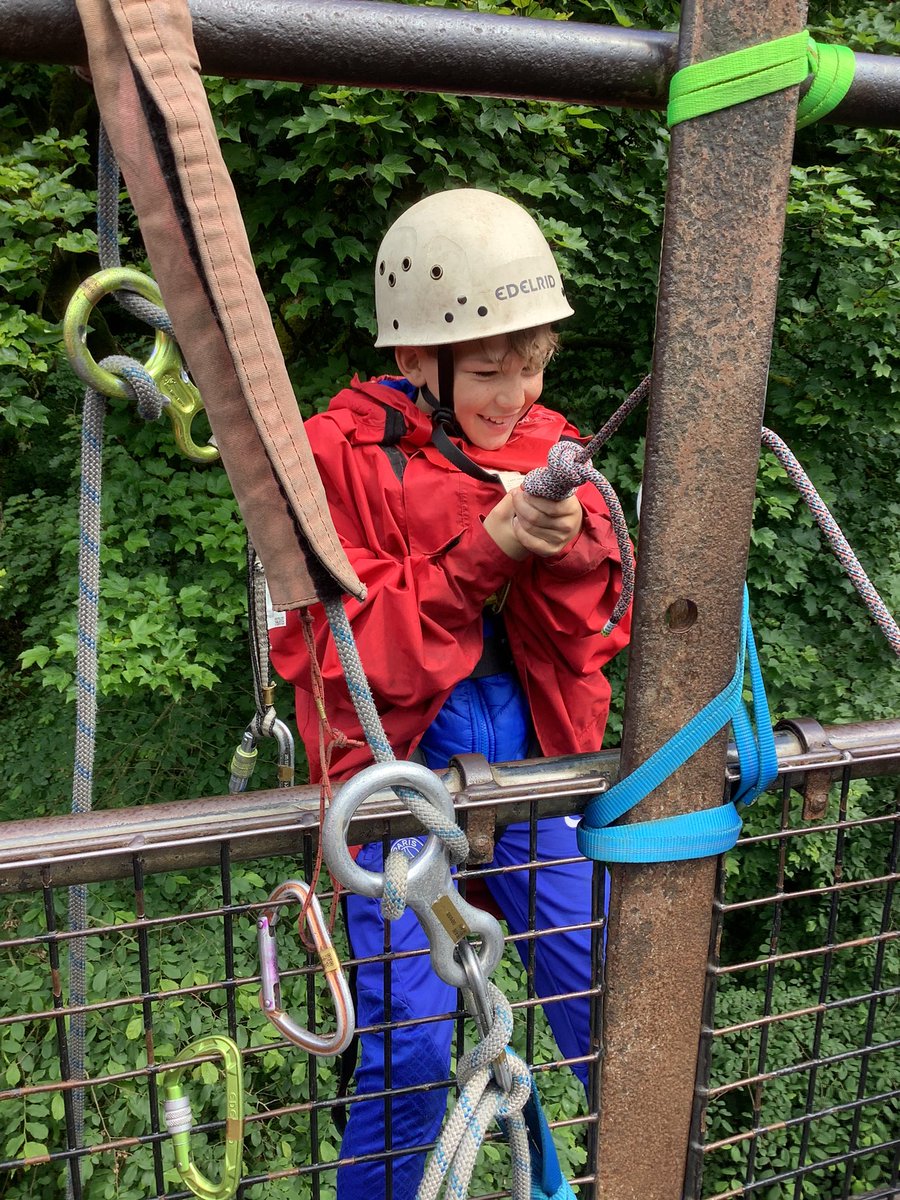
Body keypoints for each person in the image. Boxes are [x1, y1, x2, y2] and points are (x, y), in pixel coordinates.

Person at [268, 188, 631, 1199]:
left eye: (535, 361)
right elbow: (348, 662)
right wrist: (484, 555)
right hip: (396, 774)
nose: (517, 393)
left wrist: (556, 554)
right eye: (487, 368)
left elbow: (595, 635)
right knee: (417, 1049)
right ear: (415, 362)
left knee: (610, 992)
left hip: (527, 760)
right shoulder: (337, 459)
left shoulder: (551, 449)